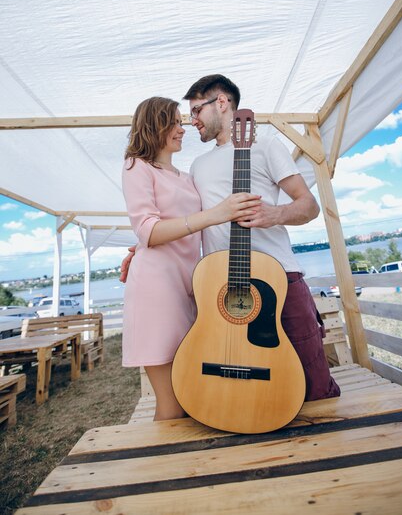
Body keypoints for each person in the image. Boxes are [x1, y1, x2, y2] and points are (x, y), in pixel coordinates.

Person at [121, 76, 340, 401]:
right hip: (223, 291)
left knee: (313, 381)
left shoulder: (265, 145)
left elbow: (309, 206)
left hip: (279, 278)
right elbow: (176, 218)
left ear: (221, 103)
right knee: (250, 392)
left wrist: (274, 214)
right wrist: (141, 248)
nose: (191, 121)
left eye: (196, 111)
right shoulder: (197, 167)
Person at [122, 96, 261, 421]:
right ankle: (164, 470)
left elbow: (174, 230)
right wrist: (215, 214)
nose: (182, 128)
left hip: (189, 291)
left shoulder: (186, 177)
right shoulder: (136, 166)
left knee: (192, 392)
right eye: (173, 122)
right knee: (173, 406)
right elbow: (148, 230)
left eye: (181, 121)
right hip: (156, 291)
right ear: (153, 124)